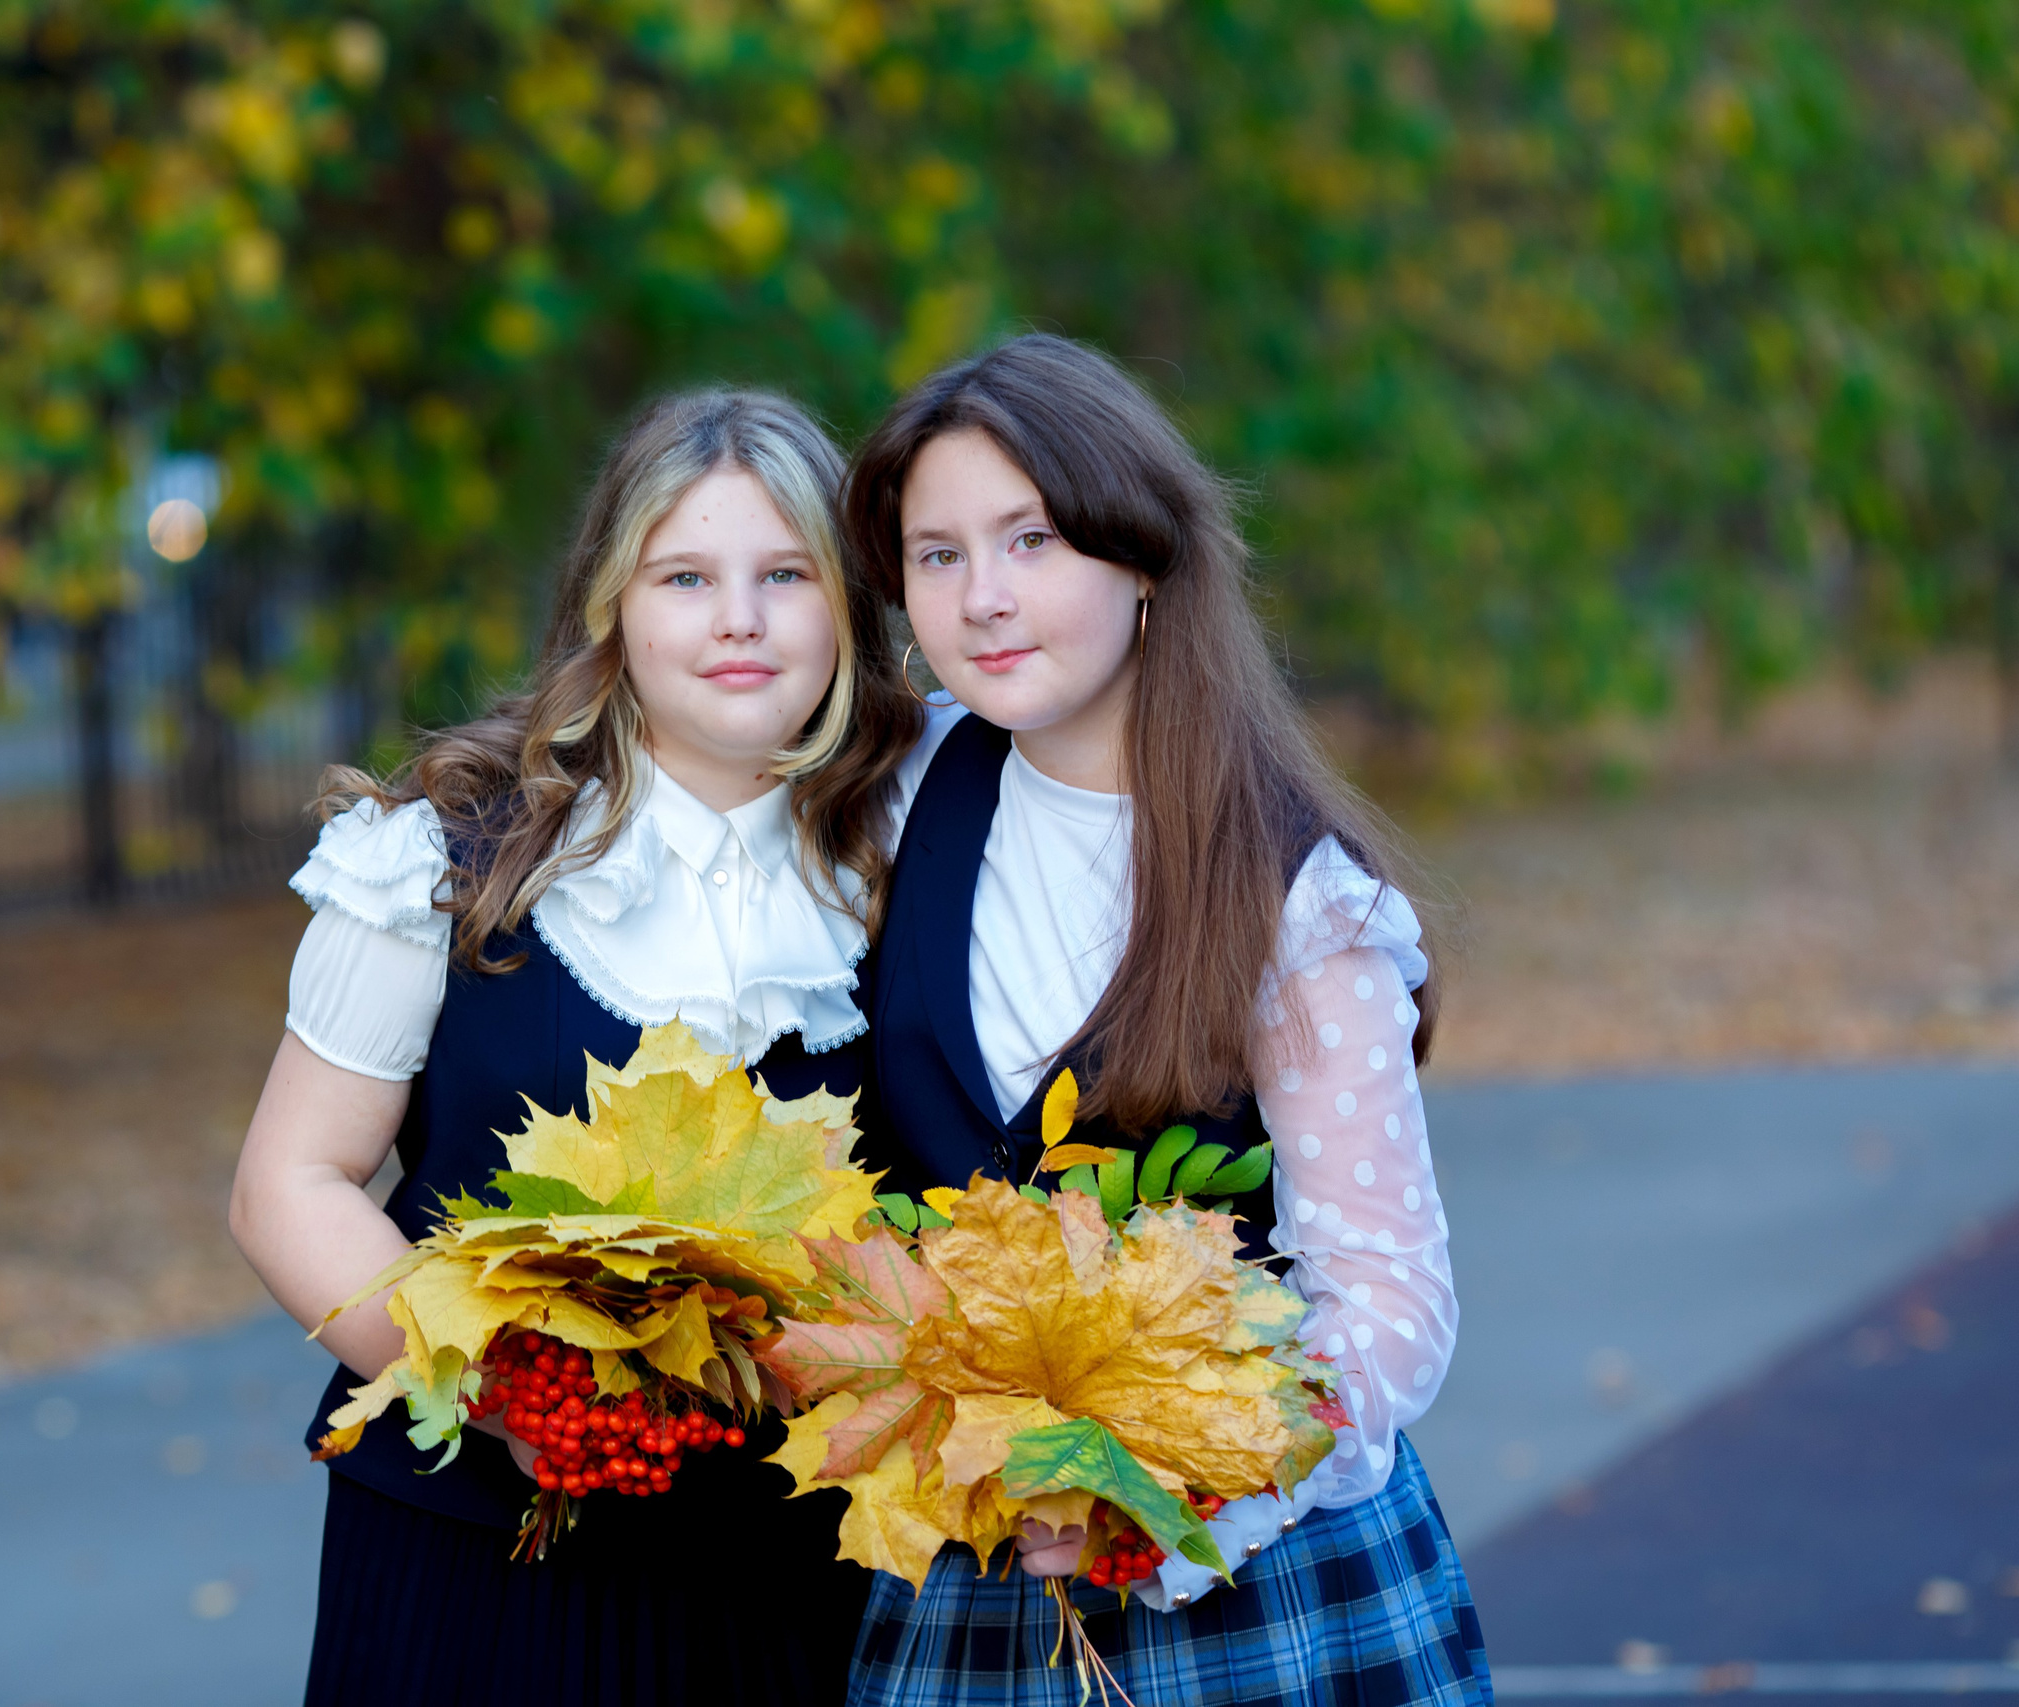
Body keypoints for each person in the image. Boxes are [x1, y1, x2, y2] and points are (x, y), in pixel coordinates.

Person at [228, 389, 923, 1707]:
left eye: (786, 575)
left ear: (848, 604)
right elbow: (288, 1185)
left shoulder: (916, 861)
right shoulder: (444, 856)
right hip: (476, 1564)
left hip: (798, 1567)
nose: (739, 618)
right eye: (686, 577)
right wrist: (508, 1392)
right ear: (613, 603)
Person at [840, 335, 1491, 1705]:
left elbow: (1389, 1299)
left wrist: (1171, 1486)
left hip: (1254, 1582)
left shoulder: (1294, 897)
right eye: (939, 554)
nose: (982, 597)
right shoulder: (895, 800)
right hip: (969, 1569)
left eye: (1031, 540)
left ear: (1141, 555)